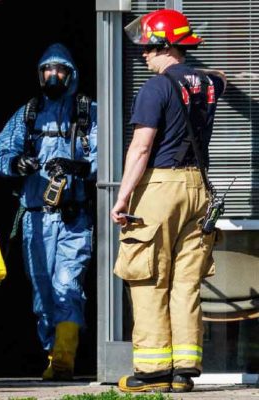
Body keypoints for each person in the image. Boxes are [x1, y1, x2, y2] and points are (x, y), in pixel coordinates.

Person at [112, 9, 227, 393]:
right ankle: (183, 370)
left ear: (166, 46)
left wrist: (122, 197)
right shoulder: (207, 84)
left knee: (147, 276)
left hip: (161, 188)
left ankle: (152, 371)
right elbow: (221, 79)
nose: (143, 55)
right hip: (200, 191)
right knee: (186, 282)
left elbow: (141, 148)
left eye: (148, 47)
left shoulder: (155, 88)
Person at [0, 43, 97, 381]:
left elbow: (110, 156)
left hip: (72, 217)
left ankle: (65, 359)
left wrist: (81, 166)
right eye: (46, 71)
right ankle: (51, 354)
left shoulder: (88, 113)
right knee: (41, 290)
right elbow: (2, 151)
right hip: (35, 218)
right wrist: (15, 163)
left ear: (72, 74)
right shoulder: (28, 113)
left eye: (60, 70)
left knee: (67, 283)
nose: (53, 76)